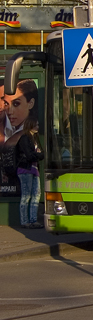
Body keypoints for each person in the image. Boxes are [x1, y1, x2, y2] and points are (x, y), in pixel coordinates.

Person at [5, 79, 41, 228]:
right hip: (25, 169)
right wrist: (39, 155)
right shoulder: (24, 137)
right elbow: (30, 154)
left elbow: (36, 154)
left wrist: (38, 155)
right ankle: (25, 221)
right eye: (7, 104)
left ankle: (33, 220)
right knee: (26, 196)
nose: (9, 111)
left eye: (16, 103)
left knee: (36, 195)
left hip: (34, 170)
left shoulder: (34, 138)